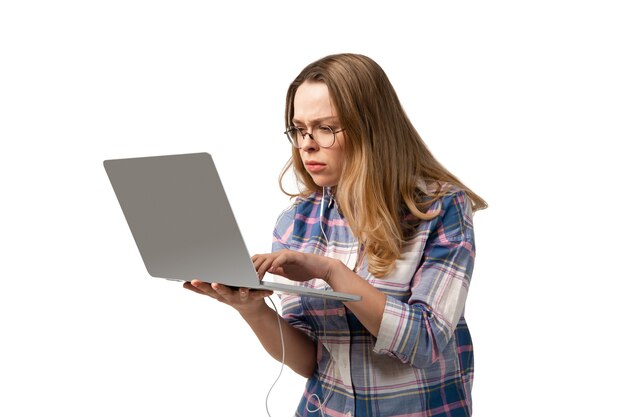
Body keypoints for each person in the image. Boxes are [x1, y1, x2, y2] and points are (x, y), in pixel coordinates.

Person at [184, 53, 487, 417]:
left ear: (372, 128)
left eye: (326, 128)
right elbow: (312, 361)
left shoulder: (441, 209)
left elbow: (425, 343)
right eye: (299, 129)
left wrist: (330, 271)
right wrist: (252, 309)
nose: (307, 144)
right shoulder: (296, 221)